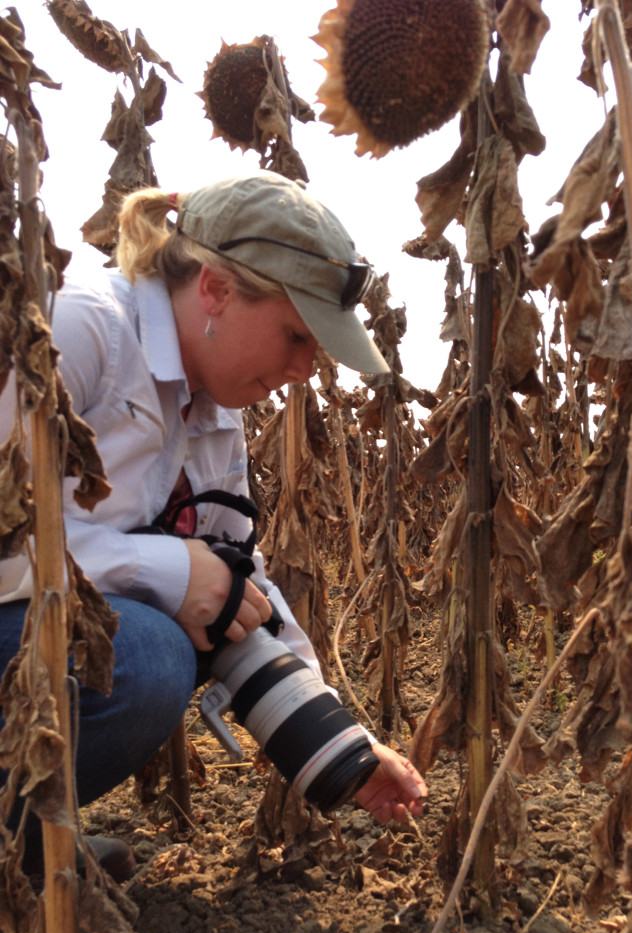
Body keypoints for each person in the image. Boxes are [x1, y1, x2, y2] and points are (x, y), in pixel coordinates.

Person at [0, 172, 427, 880]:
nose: (303, 368)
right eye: (296, 334)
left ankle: (19, 845)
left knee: (180, 629)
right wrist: (168, 573)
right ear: (216, 290)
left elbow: (236, 584)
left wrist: (339, 741)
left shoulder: (214, 416)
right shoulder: (82, 334)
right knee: (147, 656)